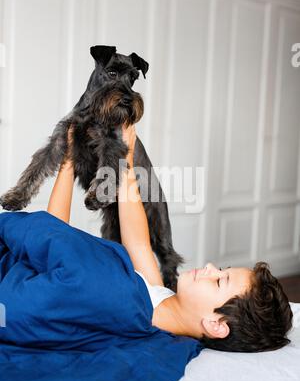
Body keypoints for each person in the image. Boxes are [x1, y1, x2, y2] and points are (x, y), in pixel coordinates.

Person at [47, 124, 293, 353]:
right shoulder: (164, 304)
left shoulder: (127, 309)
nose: (209, 267)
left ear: (216, 325)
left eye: (219, 281)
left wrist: (69, 160)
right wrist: (127, 158)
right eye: (221, 269)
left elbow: (52, 243)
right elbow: (138, 244)